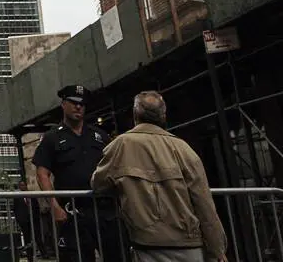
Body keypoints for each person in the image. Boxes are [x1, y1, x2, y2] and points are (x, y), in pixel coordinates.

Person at [91, 91, 227, 262]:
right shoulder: (184, 149)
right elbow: (204, 204)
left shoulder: (121, 146)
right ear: (163, 115)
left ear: (135, 115)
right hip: (188, 245)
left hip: (147, 245)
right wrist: (217, 249)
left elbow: (98, 184)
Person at [32, 84, 124, 262]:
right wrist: (54, 207)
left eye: (82, 104)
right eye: (73, 103)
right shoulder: (52, 137)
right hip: (73, 213)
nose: (78, 107)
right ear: (63, 104)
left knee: (117, 255)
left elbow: (115, 167)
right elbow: (42, 173)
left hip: (104, 211)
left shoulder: (99, 136)